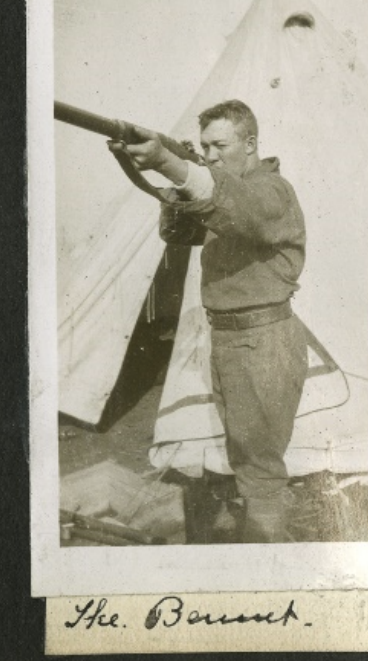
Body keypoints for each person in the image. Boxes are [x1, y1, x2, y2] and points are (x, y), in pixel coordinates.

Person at [111, 99, 308, 543]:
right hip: (233, 340)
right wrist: (175, 173)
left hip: (263, 340)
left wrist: (169, 162)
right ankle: (259, 555)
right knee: (247, 460)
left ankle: (266, 573)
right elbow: (177, 232)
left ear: (251, 143)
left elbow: (239, 207)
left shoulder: (272, 191)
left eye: (220, 144)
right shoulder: (227, 192)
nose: (212, 155)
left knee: (260, 471)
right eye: (204, 147)